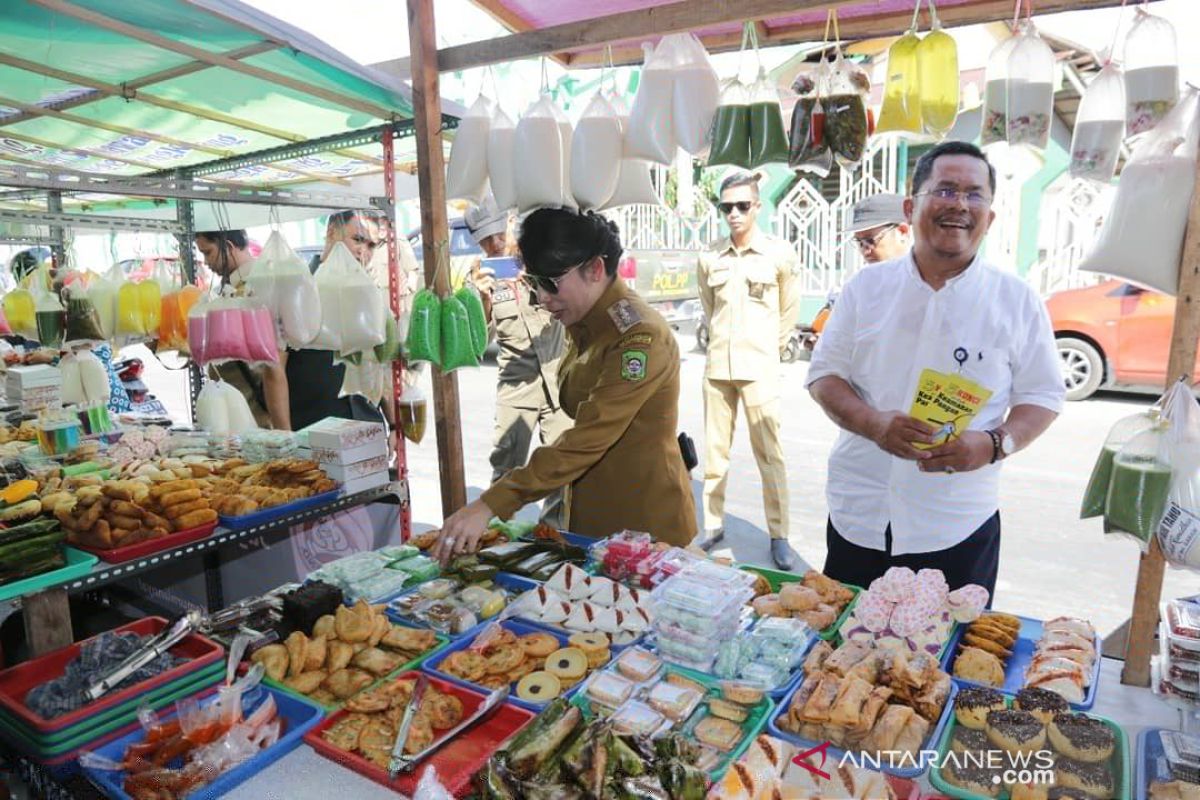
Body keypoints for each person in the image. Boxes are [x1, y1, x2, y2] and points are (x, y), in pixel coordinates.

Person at [806, 141, 1064, 597]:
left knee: (943, 661)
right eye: (945, 190)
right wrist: (873, 423)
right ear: (911, 206)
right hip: (860, 515)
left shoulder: (1017, 301)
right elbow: (824, 375)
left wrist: (993, 444)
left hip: (956, 525)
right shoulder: (866, 288)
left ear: (990, 216)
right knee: (841, 656)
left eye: (974, 194)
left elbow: (1042, 396)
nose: (960, 206)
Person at [433, 208, 697, 563]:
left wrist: (491, 503)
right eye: (535, 283)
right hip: (595, 521)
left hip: (645, 529)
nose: (542, 297)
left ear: (595, 269)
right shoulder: (585, 322)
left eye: (551, 282)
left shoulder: (638, 338)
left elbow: (587, 439)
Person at [694, 171, 801, 570]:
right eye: (727, 207)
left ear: (757, 206)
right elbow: (709, 307)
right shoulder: (710, 256)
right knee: (715, 455)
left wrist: (771, 350)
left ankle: (779, 535)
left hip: (759, 367)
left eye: (742, 205)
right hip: (719, 365)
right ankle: (714, 526)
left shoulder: (778, 254)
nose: (734, 214)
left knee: (769, 455)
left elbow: (788, 310)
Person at [465, 198, 570, 527]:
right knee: (505, 469)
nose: (495, 244)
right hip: (516, 388)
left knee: (562, 471)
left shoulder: (541, 259)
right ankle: (498, 541)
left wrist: (534, 274)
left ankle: (552, 539)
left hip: (558, 385)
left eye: (499, 235)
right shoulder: (480, 275)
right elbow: (479, 342)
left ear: (511, 224)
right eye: (486, 240)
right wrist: (481, 298)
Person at [282, 210, 391, 433]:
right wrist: (283, 432)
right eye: (358, 240)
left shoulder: (368, 294)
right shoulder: (299, 289)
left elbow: (377, 363)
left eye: (372, 246)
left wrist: (393, 423)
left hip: (366, 422)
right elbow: (275, 368)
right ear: (331, 232)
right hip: (313, 426)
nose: (364, 252)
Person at [194, 229, 289, 429]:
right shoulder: (224, 292)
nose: (206, 262)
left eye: (208, 252)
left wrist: (283, 434)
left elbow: (274, 365)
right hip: (234, 416)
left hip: (258, 417)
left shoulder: (257, 288)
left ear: (228, 247)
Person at [847, 193, 911, 264]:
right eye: (860, 243)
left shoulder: (922, 273)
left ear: (902, 232)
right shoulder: (864, 274)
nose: (865, 252)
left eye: (870, 240)